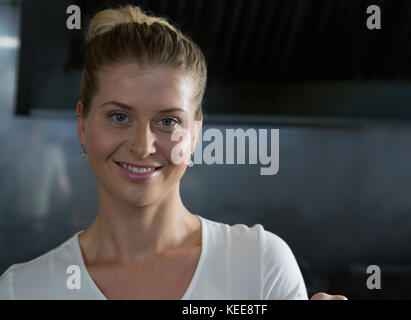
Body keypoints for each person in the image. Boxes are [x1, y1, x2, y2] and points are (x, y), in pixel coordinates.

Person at [0, 5, 346, 300]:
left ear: (195, 134)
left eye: (167, 121)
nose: (143, 145)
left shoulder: (258, 264)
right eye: (119, 116)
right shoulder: (24, 289)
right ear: (82, 124)